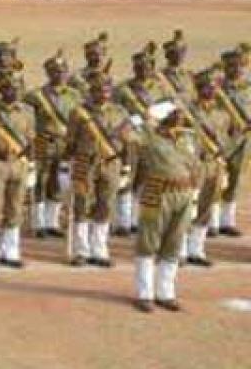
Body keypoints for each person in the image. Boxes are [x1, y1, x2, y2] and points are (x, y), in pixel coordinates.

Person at [128, 100, 197, 313]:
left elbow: (194, 163)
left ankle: (165, 293)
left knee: (174, 242)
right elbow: (123, 133)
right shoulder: (149, 136)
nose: (180, 116)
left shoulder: (186, 137)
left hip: (183, 193)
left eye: (180, 113)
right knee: (148, 242)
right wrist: (141, 117)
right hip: (158, 192)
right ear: (163, 117)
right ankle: (144, 294)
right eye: (175, 114)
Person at [65, 69, 129, 267]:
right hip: (86, 161)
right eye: (98, 90)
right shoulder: (79, 112)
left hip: (111, 162)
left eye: (107, 90)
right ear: (91, 92)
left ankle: (99, 250)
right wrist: (70, 163)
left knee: (105, 205)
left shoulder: (120, 112)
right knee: (82, 204)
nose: (103, 94)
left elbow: (128, 141)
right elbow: (71, 141)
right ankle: (81, 250)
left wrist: (126, 166)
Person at [113, 43, 174, 236]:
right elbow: (115, 112)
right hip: (131, 138)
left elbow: (171, 110)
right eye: (139, 67)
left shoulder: (160, 89)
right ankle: (123, 222)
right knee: (126, 179)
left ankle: (139, 219)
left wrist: (156, 114)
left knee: (146, 181)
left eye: (147, 67)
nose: (143, 70)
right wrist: (136, 118)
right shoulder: (124, 89)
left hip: (153, 139)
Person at [0, 72, 36, 269]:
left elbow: (31, 140)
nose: (14, 91)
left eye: (18, 88)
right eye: (10, 88)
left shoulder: (28, 111)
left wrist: (32, 164)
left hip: (20, 163)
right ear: (1, 90)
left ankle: (11, 252)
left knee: (16, 209)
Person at [24, 50, 81, 239]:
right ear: (48, 73)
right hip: (43, 142)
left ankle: (52, 222)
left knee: (57, 183)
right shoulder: (35, 96)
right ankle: (38, 223)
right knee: (41, 180)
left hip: (65, 143)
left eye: (63, 70)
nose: (59, 74)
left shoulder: (76, 95)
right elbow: (27, 121)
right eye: (55, 71)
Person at [182, 69, 232, 267]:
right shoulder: (187, 112)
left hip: (215, 164)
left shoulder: (223, 114)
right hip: (195, 164)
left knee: (207, 207)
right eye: (205, 87)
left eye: (213, 87)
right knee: (189, 207)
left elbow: (228, 140)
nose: (210, 91)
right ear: (198, 89)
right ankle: (181, 249)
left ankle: (197, 249)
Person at [218, 49, 250, 237]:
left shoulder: (248, 86)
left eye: (239, 65)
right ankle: (211, 222)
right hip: (222, 138)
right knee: (216, 179)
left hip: (244, 139)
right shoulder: (217, 88)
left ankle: (227, 221)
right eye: (231, 66)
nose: (236, 69)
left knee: (236, 178)